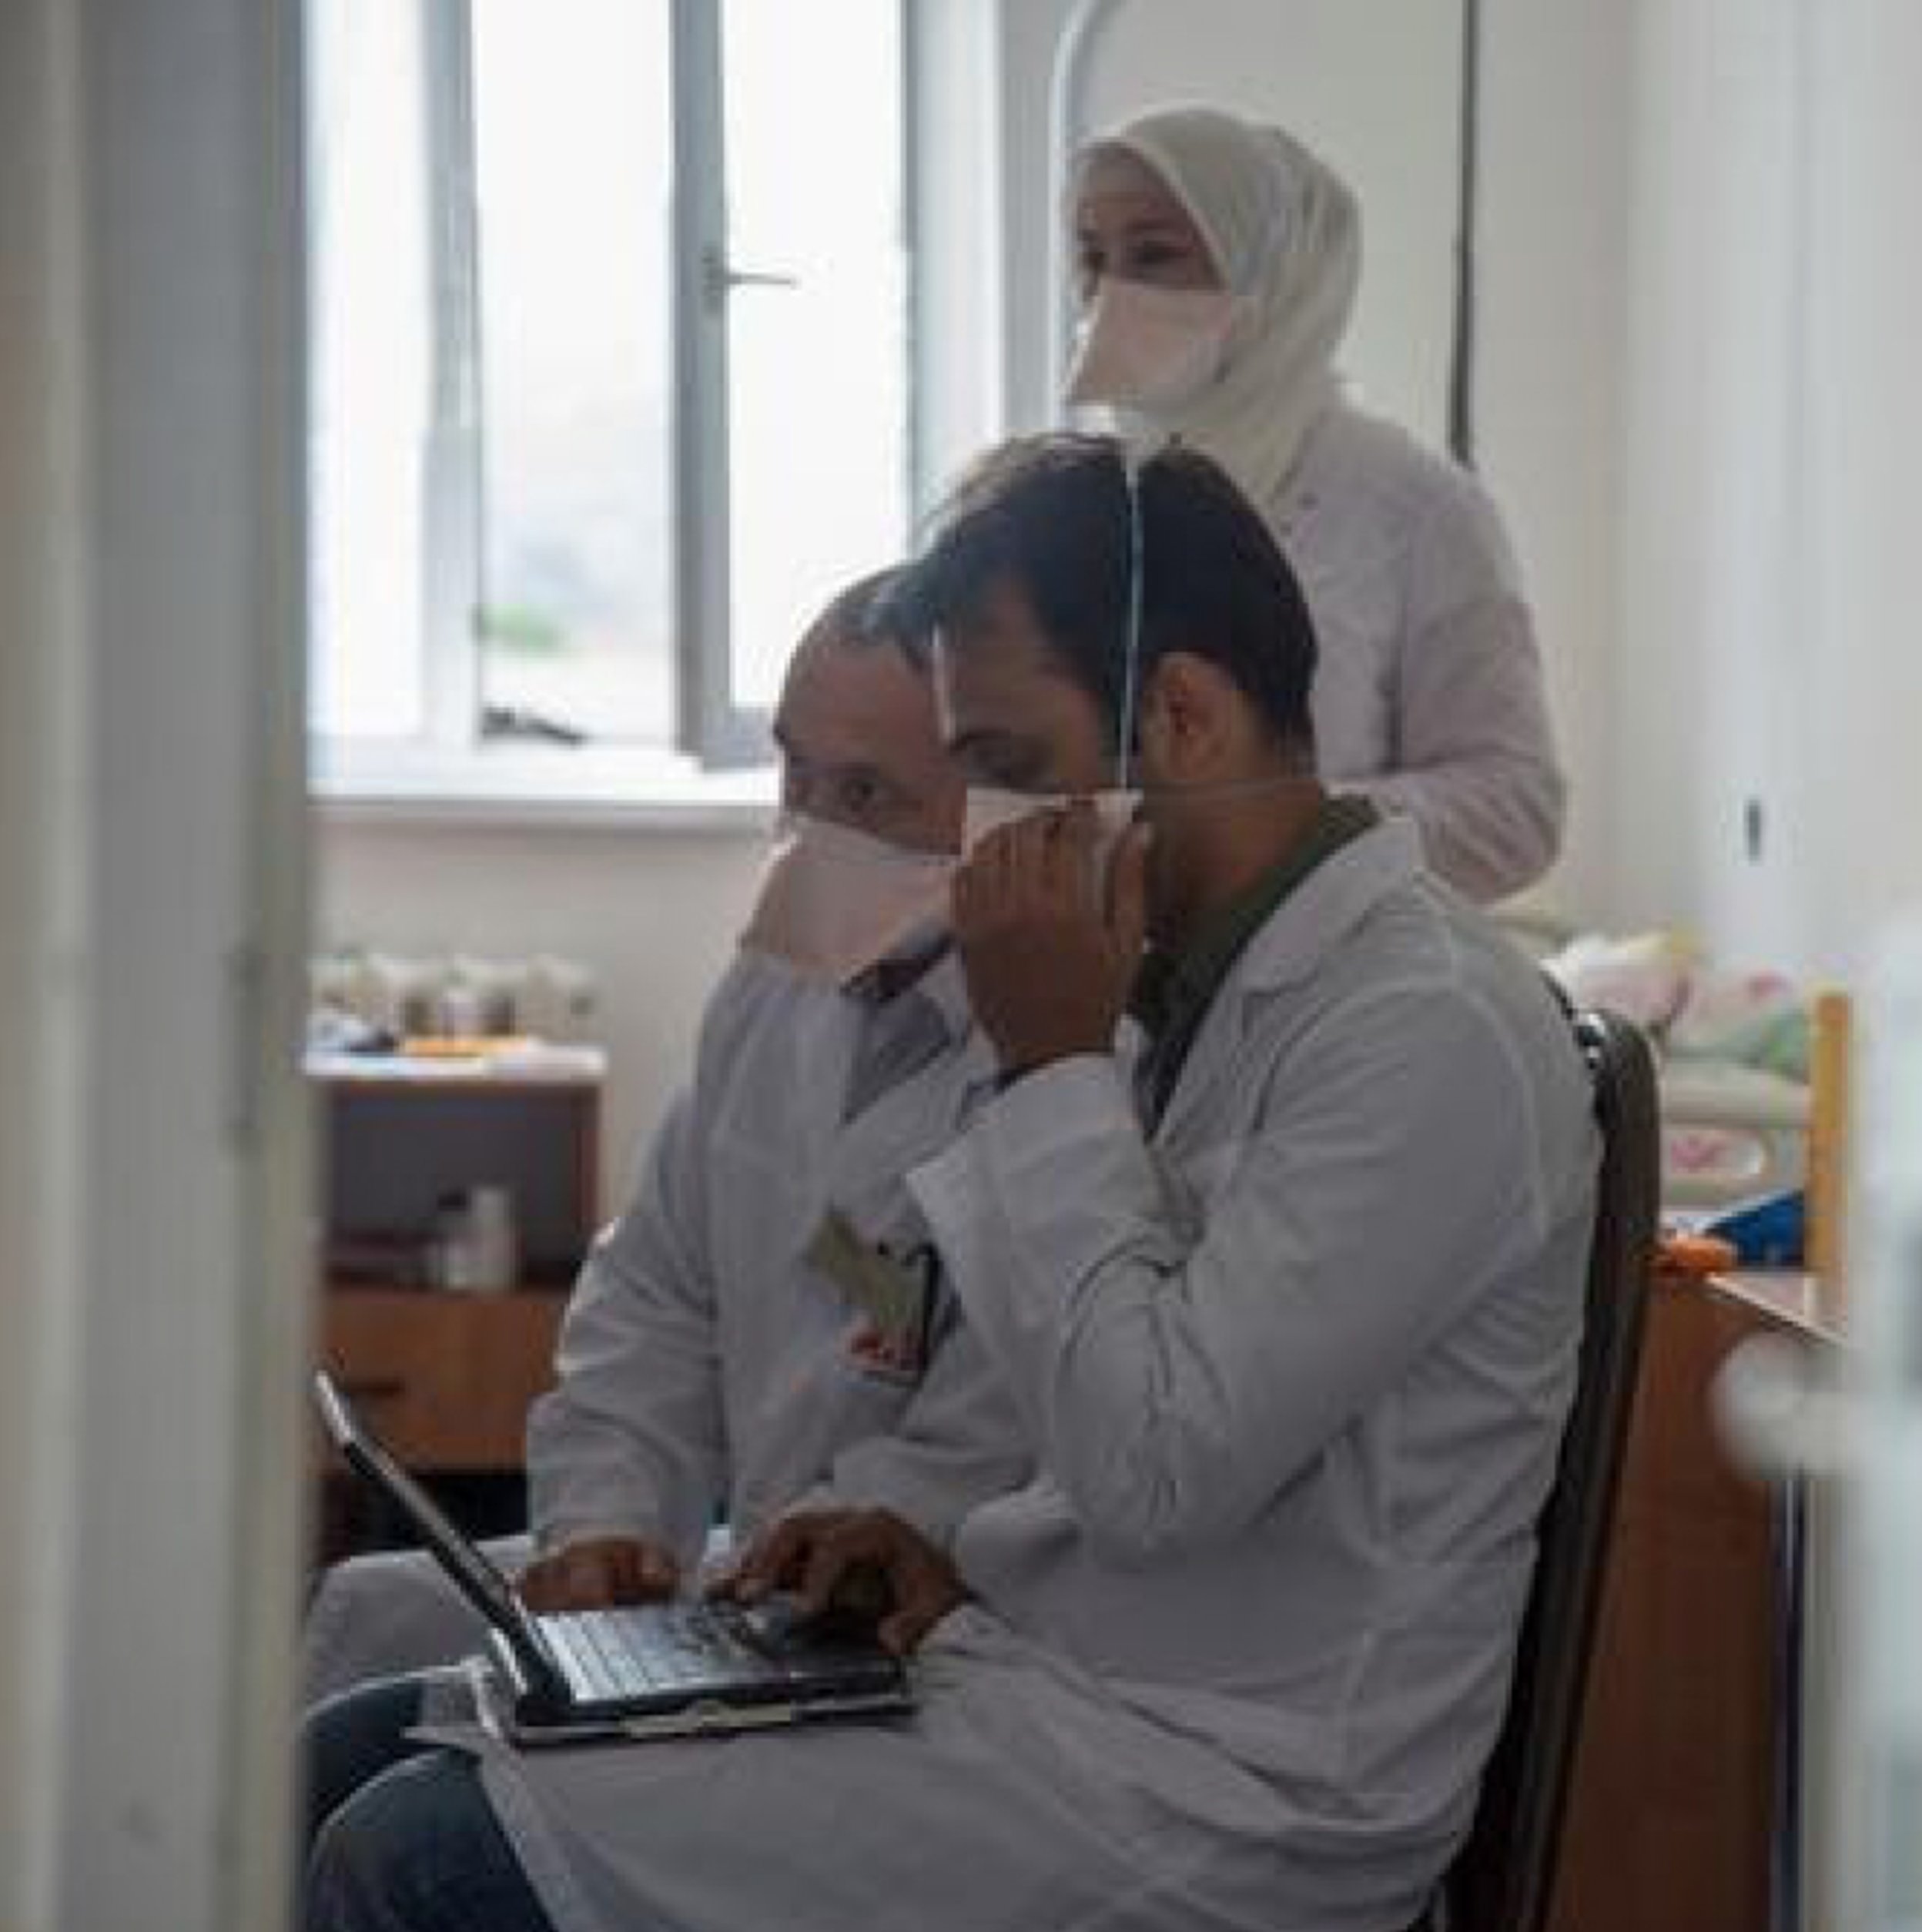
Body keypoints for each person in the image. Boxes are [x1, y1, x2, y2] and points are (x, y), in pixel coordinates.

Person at [301, 436, 1599, 1932]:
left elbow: (1156, 1467)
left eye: (1003, 768)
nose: (973, 832)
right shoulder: (1179, 979)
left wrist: (1054, 1065)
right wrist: (922, 1532)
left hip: (1231, 1787)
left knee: (419, 1855)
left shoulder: (1420, 1031)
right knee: (354, 1745)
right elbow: (1052, 1388)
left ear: (1179, 714)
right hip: (1033, 1673)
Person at [300, 571, 1026, 1702]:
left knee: (400, 1816)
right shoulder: (772, 987)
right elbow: (653, 1291)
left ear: (1002, 801)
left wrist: (803, 1553)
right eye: (795, 768)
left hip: (899, 1638)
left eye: (870, 790)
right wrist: (607, 1525)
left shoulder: (1052, 1055)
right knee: (355, 1630)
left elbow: (994, 1443)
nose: (812, 824)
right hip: (733, 1582)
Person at [1056, 102, 1566, 904]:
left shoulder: (1415, 508)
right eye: (1091, 258)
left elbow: (1516, 809)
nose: (1109, 295)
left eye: (1154, 255)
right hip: (1099, 980)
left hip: (1343, 979)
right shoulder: (1071, 500)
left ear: (1272, 277)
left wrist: (1280, 829)